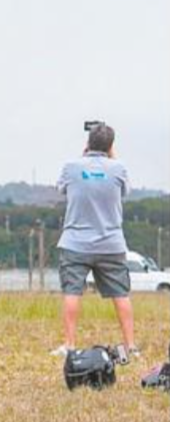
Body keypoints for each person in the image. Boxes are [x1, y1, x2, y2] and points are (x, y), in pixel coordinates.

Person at [53, 124, 138, 358]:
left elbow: (61, 189)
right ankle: (130, 345)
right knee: (121, 294)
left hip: (75, 243)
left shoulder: (71, 167)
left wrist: (84, 160)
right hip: (111, 243)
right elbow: (126, 191)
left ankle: (69, 344)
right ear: (111, 145)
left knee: (72, 291)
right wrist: (112, 159)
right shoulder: (118, 168)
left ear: (88, 143)